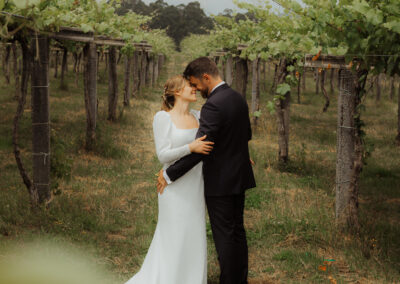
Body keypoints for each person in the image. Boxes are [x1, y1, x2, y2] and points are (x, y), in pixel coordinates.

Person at [157, 57, 256, 284]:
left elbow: (203, 147)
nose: (195, 89)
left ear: (206, 78)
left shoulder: (213, 104)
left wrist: (169, 174)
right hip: (239, 177)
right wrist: (238, 153)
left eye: (195, 84)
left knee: (225, 238)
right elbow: (245, 135)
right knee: (238, 233)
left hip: (220, 181)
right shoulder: (238, 98)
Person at [125, 75, 214, 284]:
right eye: (189, 86)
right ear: (176, 92)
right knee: (174, 234)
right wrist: (190, 147)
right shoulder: (163, 118)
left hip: (195, 183)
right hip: (173, 188)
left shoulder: (199, 116)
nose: (194, 89)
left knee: (193, 233)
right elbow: (163, 154)